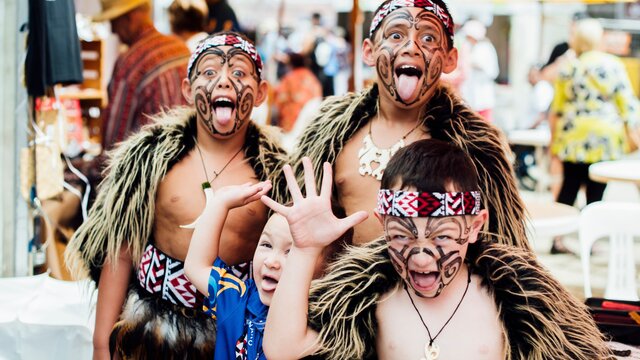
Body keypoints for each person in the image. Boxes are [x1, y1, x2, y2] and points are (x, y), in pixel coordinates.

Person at [262, 139, 613, 360]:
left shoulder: (509, 302)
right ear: (383, 223)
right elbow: (284, 350)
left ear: (475, 225)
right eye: (402, 236)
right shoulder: (373, 302)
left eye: (442, 237)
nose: (420, 256)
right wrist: (306, 251)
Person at [65, 32, 288, 359]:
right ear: (187, 89)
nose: (224, 82)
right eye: (209, 72)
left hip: (234, 332)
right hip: (152, 332)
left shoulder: (275, 176)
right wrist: (102, 343)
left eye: (239, 73)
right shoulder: (151, 161)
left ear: (261, 94)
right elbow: (121, 248)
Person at [286, 0, 529, 250]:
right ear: (369, 51)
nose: (411, 47)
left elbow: (503, 249)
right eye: (395, 35)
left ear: (449, 59)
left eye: (428, 38)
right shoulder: (332, 136)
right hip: (345, 286)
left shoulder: (475, 149)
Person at [183, 173, 355, 359]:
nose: (271, 262)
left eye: (292, 252)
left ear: (331, 268)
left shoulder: (330, 327)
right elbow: (196, 266)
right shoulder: (241, 299)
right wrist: (220, 203)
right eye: (266, 245)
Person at [549, 18, 640, 254]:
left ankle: (557, 238)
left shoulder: (568, 67)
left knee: (568, 187)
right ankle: (590, 239)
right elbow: (628, 105)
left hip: (572, 135)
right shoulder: (612, 65)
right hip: (604, 137)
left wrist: (554, 140)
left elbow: (557, 107)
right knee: (596, 191)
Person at [93, 0, 191, 153]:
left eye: (113, 21)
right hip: (191, 160)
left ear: (128, 18)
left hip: (151, 167)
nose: (112, 30)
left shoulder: (129, 64)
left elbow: (113, 145)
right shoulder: (181, 49)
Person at [459, 19, 499, 122]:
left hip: (483, 96)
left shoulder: (484, 48)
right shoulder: (473, 47)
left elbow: (489, 69)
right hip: (473, 97)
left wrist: (467, 58)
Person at [274, 52, 322, 133]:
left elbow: (280, 99)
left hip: (293, 122)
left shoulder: (289, 78)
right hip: (312, 120)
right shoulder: (312, 77)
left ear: (291, 64)